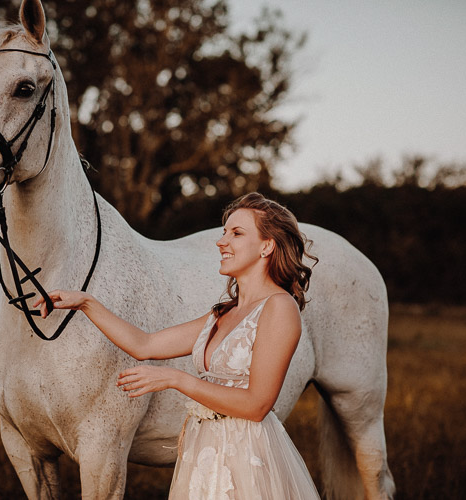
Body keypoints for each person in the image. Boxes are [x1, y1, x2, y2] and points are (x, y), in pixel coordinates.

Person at [35, 192, 320, 499]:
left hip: (247, 456)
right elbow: (144, 345)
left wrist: (174, 379)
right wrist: (86, 303)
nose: (221, 241)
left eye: (237, 233)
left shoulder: (280, 307)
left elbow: (257, 405)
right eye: (224, 232)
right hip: (205, 453)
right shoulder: (222, 313)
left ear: (267, 245)